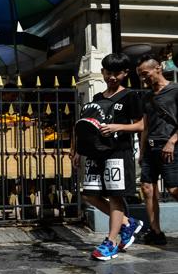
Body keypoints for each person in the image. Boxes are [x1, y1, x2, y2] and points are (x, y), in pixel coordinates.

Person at [72, 53, 144, 261]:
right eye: (108, 72)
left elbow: (141, 125)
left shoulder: (131, 96)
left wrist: (118, 126)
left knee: (115, 196)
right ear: (103, 72)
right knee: (89, 195)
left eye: (117, 73)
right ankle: (127, 224)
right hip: (95, 153)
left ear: (125, 73)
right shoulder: (97, 99)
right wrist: (79, 151)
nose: (112, 77)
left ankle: (111, 241)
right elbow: (86, 127)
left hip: (118, 153)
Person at [136, 54, 178, 245]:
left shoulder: (175, 90)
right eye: (140, 75)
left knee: (174, 189)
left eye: (145, 74)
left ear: (158, 68)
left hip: (170, 147)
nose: (143, 78)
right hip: (151, 148)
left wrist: (172, 141)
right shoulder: (146, 96)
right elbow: (145, 125)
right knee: (147, 188)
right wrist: (142, 151)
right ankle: (156, 231)